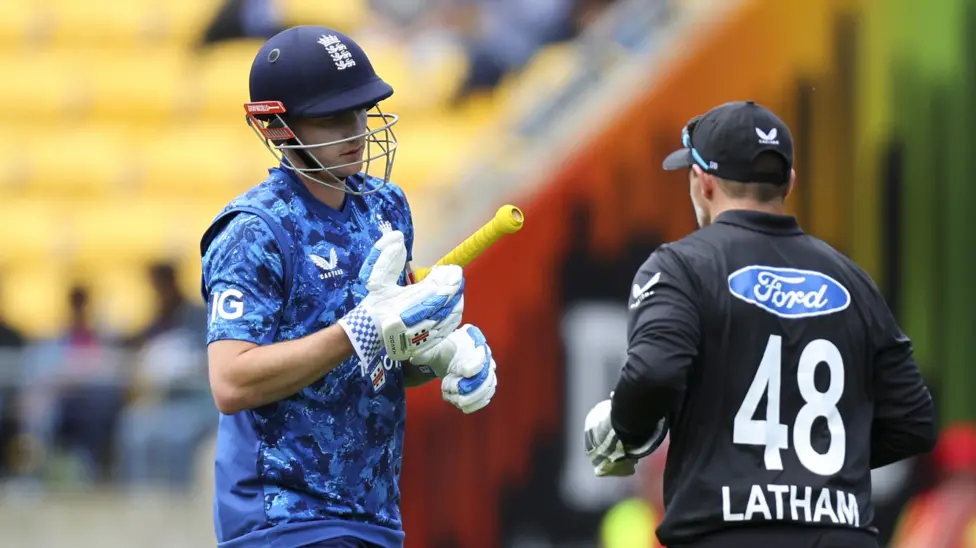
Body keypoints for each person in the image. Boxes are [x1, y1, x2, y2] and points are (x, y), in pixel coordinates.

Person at [583, 101, 938, 548]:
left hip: (727, 533)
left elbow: (654, 372)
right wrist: (813, 469)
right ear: (789, 182)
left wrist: (625, 431)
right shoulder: (852, 280)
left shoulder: (681, 267)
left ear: (703, 182)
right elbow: (914, 421)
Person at [200, 25, 498, 548]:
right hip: (283, 519)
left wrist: (441, 356)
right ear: (275, 126)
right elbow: (231, 382)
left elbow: (382, 362)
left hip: (374, 514)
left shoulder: (385, 207)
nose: (357, 129)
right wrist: (362, 328)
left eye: (362, 110)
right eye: (334, 117)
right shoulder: (254, 229)